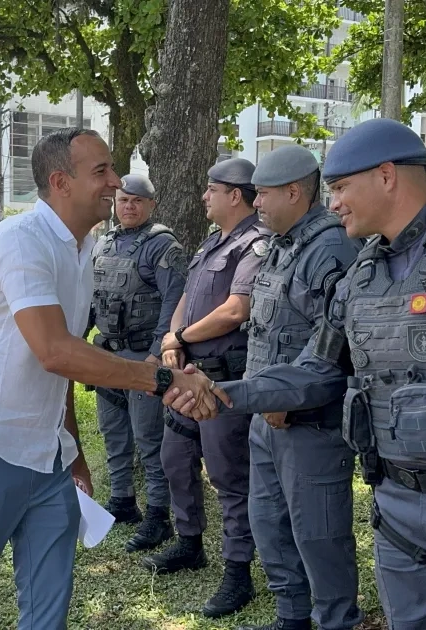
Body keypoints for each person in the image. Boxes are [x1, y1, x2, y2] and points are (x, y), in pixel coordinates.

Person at [166, 118, 426, 629]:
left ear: (387, 176)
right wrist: (229, 393)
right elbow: (317, 370)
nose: (333, 201)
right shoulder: (363, 272)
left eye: (341, 187)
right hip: (398, 510)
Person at [0, 127, 224, 630]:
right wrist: (162, 381)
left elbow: (66, 362)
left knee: (49, 602)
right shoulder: (21, 241)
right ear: (61, 181)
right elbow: (55, 351)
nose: (116, 182)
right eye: (101, 171)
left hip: (47, 456)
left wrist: (72, 452)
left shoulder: (83, 249)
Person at [236, 145, 364, 630]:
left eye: (263, 195)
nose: (257, 204)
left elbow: (336, 338)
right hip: (266, 415)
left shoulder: (332, 249)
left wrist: (286, 401)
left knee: (319, 534)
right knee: (269, 523)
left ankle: (336, 620)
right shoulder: (283, 244)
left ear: (294, 192)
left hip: (308, 422)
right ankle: (292, 617)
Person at [142, 158, 272, 619]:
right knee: (174, 460)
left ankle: (238, 572)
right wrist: (172, 341)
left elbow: (237, 309)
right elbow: (184, 299)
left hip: (221, 380)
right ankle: (189, 542)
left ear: (235, 194)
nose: (204, 196)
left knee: (229, 477)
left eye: (212, 189)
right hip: (188, 373)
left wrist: (181, 338)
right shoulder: (212, 242)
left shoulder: (255, 243)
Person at [86, 173, 188, 552]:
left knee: (149, 439)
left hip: (143, 356)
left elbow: (175, 301)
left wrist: (157, 354)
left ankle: (159, 515)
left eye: (137, 202)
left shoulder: (162, 246)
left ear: (150, 205)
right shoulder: (103, 243)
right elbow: (91, 299)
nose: (128, 207)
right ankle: (123, 501)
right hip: (106, 354)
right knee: (113, 433)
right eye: (123, 200)